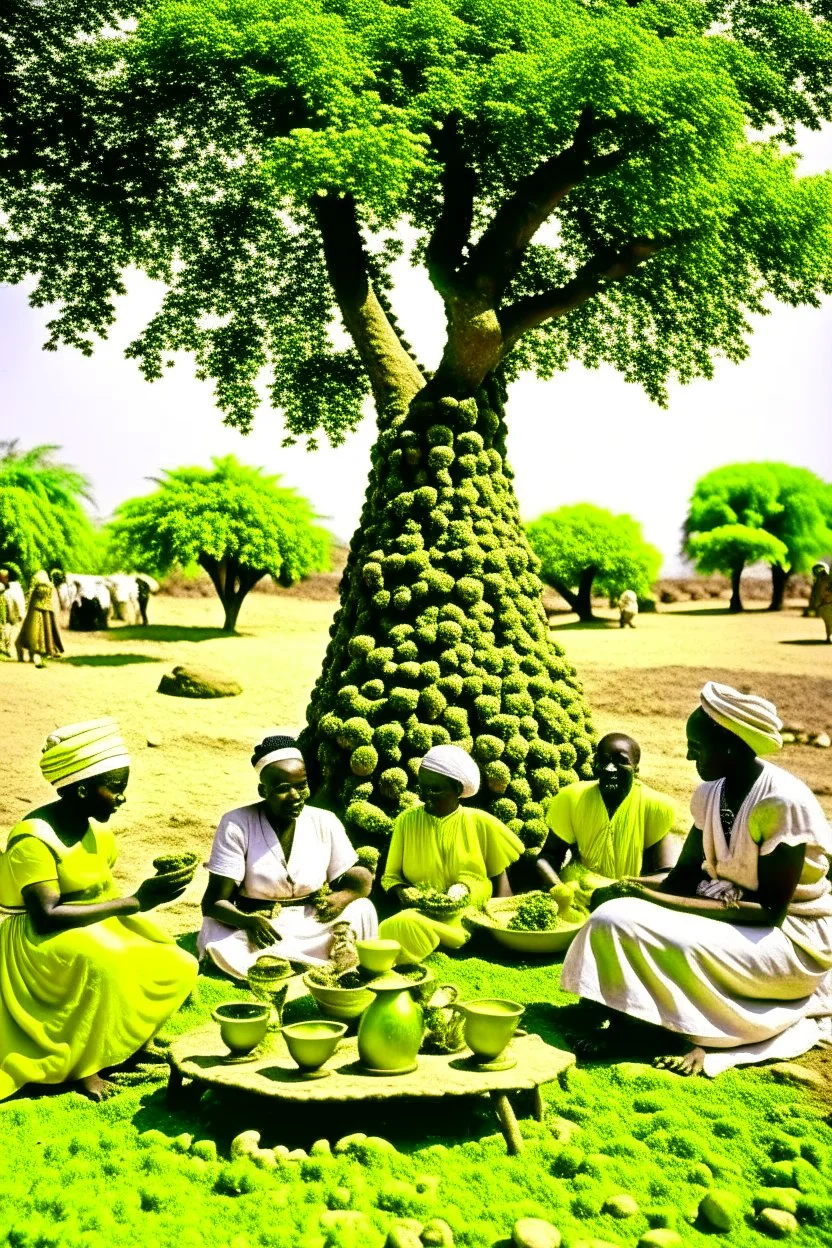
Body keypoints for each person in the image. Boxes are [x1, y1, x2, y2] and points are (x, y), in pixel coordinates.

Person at [561, 682, 832, 1077]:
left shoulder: (781, 803)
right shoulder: (710, 793)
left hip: (790, 940)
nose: (688, 754)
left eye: (697, 746)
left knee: (669, 937)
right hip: (725, 912)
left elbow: (770, 912)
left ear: (730, 746)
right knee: (613, 917)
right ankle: (616, 1016)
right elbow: (683, 878)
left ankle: (690, 1033)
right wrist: (626, 890)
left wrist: (653, 899)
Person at [0, 718, 198, 1102]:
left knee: (174, 962)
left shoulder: (99, 832)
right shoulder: (32, 839)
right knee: (106, 963)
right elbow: (45, 916)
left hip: (89, 923)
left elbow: (103, 892)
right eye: (115, 788)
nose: (123, 798)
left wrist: (145, 903)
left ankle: (131, 1042)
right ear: (81, 790)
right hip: (36, 941)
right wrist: (137, 902)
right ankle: (83, 1067)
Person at [199, 734, 377, 978]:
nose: (295, 796)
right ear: (263, 790)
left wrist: (345, 896)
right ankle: (301, 961)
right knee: (214, 932)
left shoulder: (324, 821)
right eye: (283, 789)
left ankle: (284, 962)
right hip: (260, 924)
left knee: (362, 908)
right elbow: (213, 903)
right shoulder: (237, 823)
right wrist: (247, 922)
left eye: (301, 785)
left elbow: (358, 878)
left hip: (313, 923)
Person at [378, 744, 524, 963]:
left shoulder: (481, 823)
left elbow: (500, 881)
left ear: (457, 789)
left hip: (471, 918)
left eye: (435, 789)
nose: (427, 796)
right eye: (422, 789)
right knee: (398, 924)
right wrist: (404, 892)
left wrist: (503, 925)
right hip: (423, 914)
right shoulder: (406, 821)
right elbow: (390, 877)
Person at [535, 734, 678, 885]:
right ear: (595, 764)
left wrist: (621, 888)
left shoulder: (655, 806)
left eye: (621, 761)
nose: (610, 769)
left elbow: (666, 876)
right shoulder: (572, 798)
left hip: (631, 899)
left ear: (636, 769)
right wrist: (557, 888)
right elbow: (548, 857)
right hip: (577, 893)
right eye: (604, 761)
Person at [15, 570, 64, 666]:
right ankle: (41, 657)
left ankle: (27, 657)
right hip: (46, 614)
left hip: (34, 614)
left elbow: (31, 601)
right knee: (44, 636)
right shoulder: (50, 588)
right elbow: (54, 604)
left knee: (29, 636)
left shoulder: (37, 588)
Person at [807, 561, 832, 643]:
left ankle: (829, 637)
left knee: (828, 623)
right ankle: (828, 637)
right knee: (828, 623)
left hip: (827, 604)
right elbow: (817, 594)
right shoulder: (819, 581)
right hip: (824, 605)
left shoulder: (826, 579)